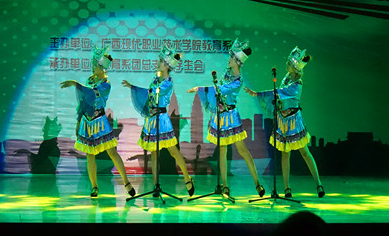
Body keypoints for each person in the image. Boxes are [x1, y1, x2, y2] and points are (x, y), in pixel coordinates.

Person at [187, 39, 265, 198]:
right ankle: (224, 185)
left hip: (231, 116)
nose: (228, 60)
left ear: (237, 62)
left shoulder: (238, 80)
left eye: (231, 58)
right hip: (220, 115)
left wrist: (200, 88)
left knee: (242, 149)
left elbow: (221, 89)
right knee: (222, 150)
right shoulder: (227, 73)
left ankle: (257, 182)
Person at [245, 45, 324, 198]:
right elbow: (279, 95)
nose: (286, 65)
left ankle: (318, 183)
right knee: (285, 154)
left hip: (294, 121)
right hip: (283, 120)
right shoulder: (287, 78)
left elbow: (280, 92)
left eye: (289, 64)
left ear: (295, 68)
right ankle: (287, 188)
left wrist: (257, 94)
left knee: (305, 152)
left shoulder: (296, 85)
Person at [60, 45, 135, 198]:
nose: (92, 68)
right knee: (90, 154)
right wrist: (78, 121)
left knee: (112, 152)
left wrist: (75, 83)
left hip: (100, 121)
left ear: (101, 67)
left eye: (95, 65)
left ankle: (126, 182)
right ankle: (94, 187)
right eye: (92, 65)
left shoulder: (106, 84)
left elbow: (91, 95)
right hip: (87, 122)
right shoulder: (90, 80)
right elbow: (83, 102)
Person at [122, 43, 195, 197]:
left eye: (161, 61)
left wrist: (134, 88)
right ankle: (156, 185)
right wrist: (133, 87)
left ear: (167, 66)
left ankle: (187, 178)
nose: (158, 63)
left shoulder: (168, 83)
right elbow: (150, 93)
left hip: (161, 119)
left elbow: (153, 93)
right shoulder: (156, 79)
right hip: (151, 119)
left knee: (173, 151)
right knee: (154, 153)